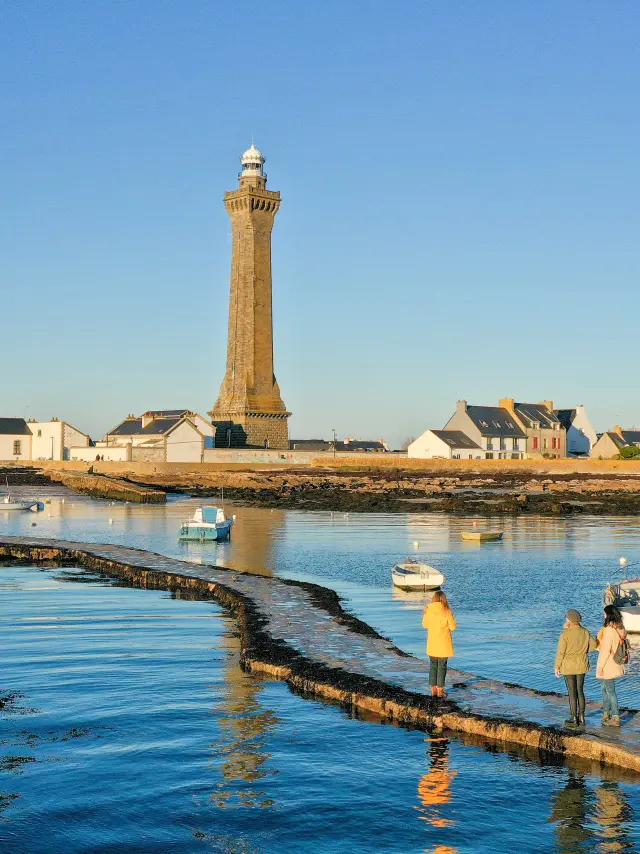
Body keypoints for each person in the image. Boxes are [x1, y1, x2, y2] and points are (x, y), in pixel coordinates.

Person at [554, 609, 597, 730]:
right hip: (582, 664)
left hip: (568, 666)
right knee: (580, 691)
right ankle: (582, 718)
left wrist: (557, 667)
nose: (565, 619)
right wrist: (583, 651)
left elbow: (560, 652)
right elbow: (594, 646)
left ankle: (574, 718)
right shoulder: (585, 632)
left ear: (570, 619)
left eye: (566, 617)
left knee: (572, 693)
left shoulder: (565, 634)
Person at [596, 605, 626, 727]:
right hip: (615, 662)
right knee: (605, 689)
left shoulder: (609, 630)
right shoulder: (620, 627)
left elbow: (606, 650)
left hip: (608, 664)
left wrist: (600, 667)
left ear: (608, 615)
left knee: (610, 691)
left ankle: (615, 717)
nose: (604, 615)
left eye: (605, 614)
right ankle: (606, 713)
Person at [422, 591, 456, 698]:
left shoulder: (428, 610)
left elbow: (424, 624)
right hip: (443, 644)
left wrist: (425, 614)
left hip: (432, 643)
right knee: (442, 666)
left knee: (433, 666)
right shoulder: (446, 611)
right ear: (444, 599)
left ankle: (433, 690)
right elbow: (453, 627)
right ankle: (440, 690)